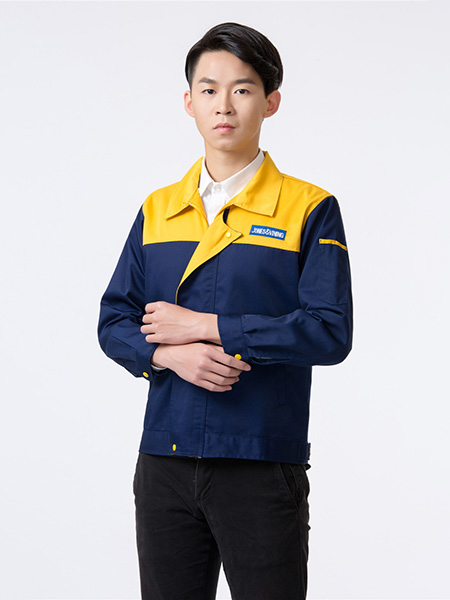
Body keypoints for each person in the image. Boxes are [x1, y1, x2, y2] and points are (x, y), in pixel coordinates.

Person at [98, 21, 352, 600]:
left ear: (271, 102)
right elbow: (114, 320)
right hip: (164, 460)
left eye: (242, 89)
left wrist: (207, 327)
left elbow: (329, 331)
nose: (224, 105)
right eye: (209, 90)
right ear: (188, 102)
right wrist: (167, 355)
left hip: (259, 459)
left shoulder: (309, 208)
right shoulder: (159, 209)